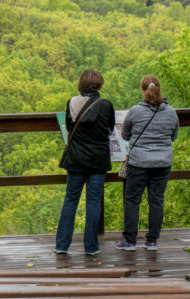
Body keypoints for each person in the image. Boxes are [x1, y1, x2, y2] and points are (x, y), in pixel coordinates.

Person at [55, 69, 115, 256]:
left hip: (76, 160)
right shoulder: (105, 105)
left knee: (70, 200)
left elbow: (69, 126)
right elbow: (111, 128)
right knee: (93, 202)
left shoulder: (71, 103)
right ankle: (91, 247)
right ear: (99, 84)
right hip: (98, 160)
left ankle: (62, 245)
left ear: (80, 84)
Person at [116, 74, 179, 251]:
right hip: (163, 162)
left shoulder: (135, 111)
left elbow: (125, 135)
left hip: (139, 162)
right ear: (159, 89)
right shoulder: (171, 112)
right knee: (157, 201)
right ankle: (152, 241)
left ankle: (129, 241)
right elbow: (173, 135)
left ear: (143, 90)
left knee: (132, 201)